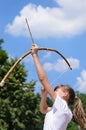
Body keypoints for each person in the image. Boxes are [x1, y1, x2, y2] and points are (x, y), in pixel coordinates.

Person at [31, 43, 86, 130]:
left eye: (56, 91)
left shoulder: (62, 106)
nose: (53, 92)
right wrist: (44, 94)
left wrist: (35, 55)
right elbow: (43, 109)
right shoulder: (59, 109)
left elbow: (43, 80)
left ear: (65, 94)